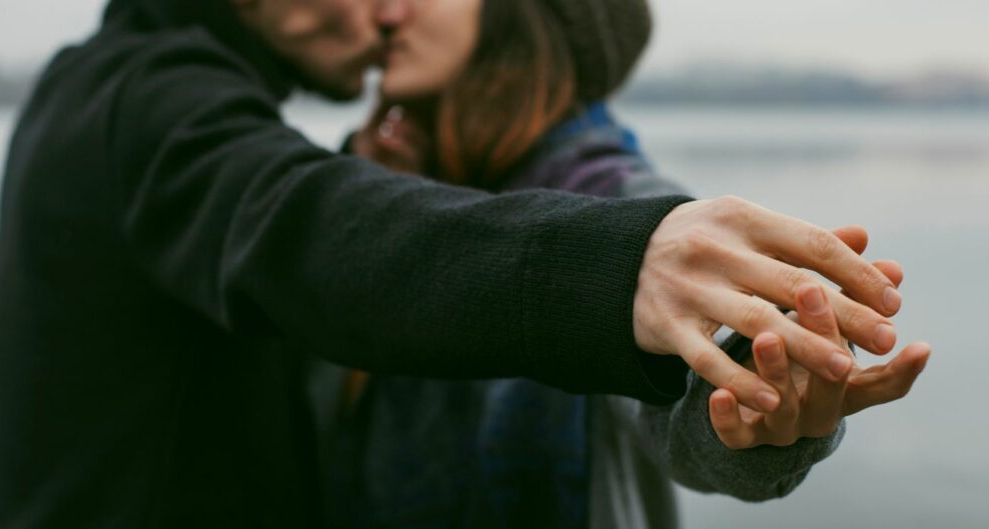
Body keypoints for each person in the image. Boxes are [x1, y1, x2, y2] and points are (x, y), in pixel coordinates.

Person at [0, 0, 915, 526]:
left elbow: (685, 388)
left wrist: (761, 407)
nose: (386, 11)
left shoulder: (600, 185)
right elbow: (316, 230)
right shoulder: (166, 107)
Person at [310, 0, 930, 526]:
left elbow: (682, 395)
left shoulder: (616, 201)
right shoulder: (374, 176)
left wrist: (754, 383)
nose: (386, 13)